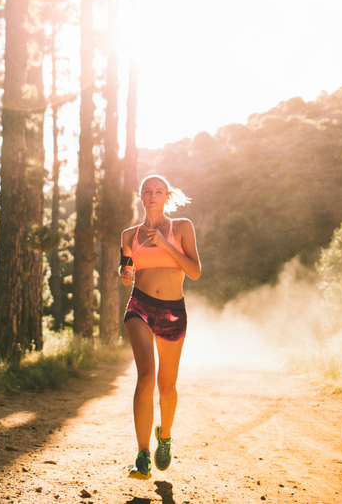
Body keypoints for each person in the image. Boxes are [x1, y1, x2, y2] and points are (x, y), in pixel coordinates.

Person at [119, 175, 201, 480]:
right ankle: (141, 456)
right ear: (140, 196)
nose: (153, 196)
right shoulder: (129, 235)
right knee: (146, 377)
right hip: (138, 306)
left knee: (167, 388)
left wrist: (165, 245)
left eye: (159, 192)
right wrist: (125, 275)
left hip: (172, 311)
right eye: (148, 191)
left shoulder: (182, 228)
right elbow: (126, 268)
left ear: (167, 196)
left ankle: (164, 436)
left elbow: (194, 271)